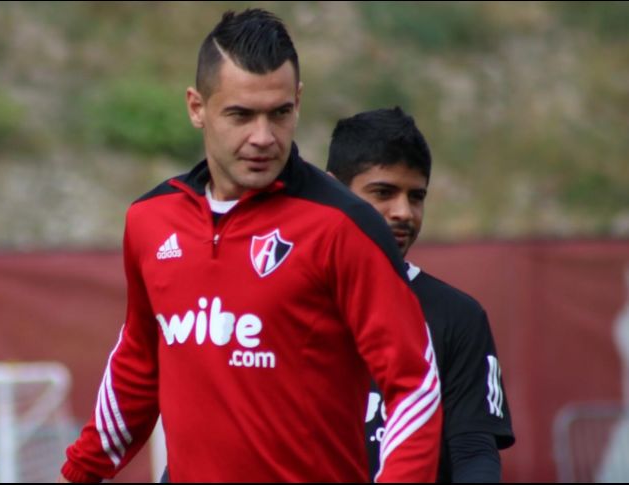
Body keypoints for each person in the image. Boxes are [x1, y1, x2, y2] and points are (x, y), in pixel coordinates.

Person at [60, 10, 442, 482]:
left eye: (279, 113)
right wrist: (78, 474)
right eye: (241, 115)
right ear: (196, 107)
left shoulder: (344, 226)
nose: (263, 138)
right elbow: (139, 363)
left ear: (298, 103)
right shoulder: (150, 221)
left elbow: (414, 384)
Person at [326, 107, 516, 482]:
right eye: (383, 192)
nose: (404, 212)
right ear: (333, 191)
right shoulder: (283, 298)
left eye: (416, 196)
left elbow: (474, 451)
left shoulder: (458, 316)